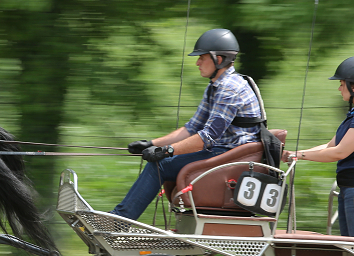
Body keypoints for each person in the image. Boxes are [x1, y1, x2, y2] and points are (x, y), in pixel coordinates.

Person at [112, 28, 263, 219]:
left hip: (231, 157)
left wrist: (167, 151)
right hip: (221, 152)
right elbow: (192, 128)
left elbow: (207, 137)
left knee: (160, 165)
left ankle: (119, 221)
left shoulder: (230, 88)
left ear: (219, 59)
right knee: (160, 161)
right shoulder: (215, 87)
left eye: (202, 57)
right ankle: (120, 219)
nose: (197, 62)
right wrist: (152, 144)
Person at [282, 56, 354, 246]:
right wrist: (296, 153)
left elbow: (339, 153)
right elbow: (330, 146)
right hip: (351, 188)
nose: (339, 88)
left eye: (341, 83)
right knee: (350, 252)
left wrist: (300, 155)